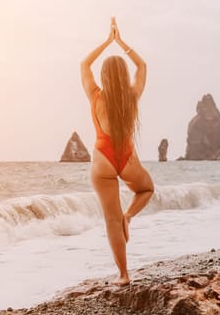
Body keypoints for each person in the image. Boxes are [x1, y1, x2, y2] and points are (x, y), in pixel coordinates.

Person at [80, 17, 154, 286]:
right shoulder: (133, 96)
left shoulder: (95, 95)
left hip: (103, 158)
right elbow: (142, 65)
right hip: (127, 157)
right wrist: (121, 43)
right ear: (124, 75)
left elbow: (84, 64)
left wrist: (107, 41)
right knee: (146, 189)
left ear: (104, 76)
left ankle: (123, 275)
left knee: (111, 220)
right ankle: (130, 215)